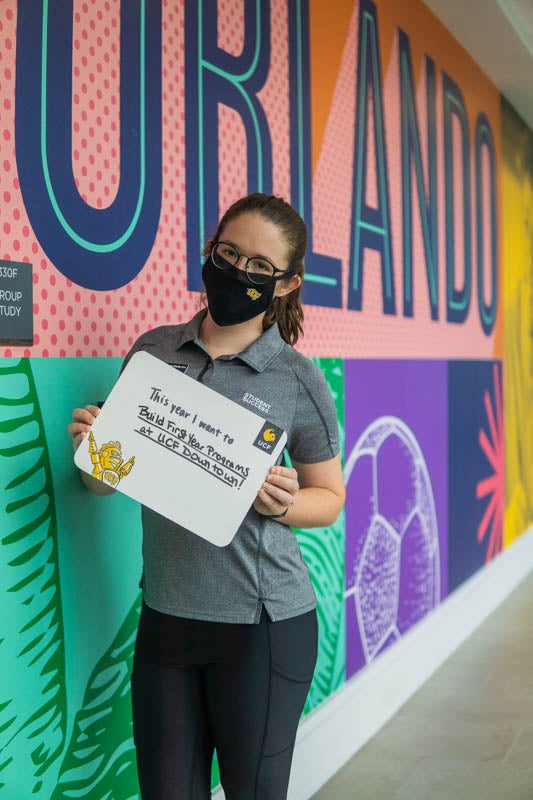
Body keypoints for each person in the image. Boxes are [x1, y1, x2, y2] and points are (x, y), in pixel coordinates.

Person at [68, 193, 345, 800]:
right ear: (209, 250)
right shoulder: (153, 350)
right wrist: (95, 450)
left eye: (259, 268)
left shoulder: (297, 377)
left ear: (287, 284)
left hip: (263, 624)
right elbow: (106, 480)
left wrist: (283, 504)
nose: (239, 272)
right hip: (167, 616)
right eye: (229, 253)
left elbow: (329, 498)